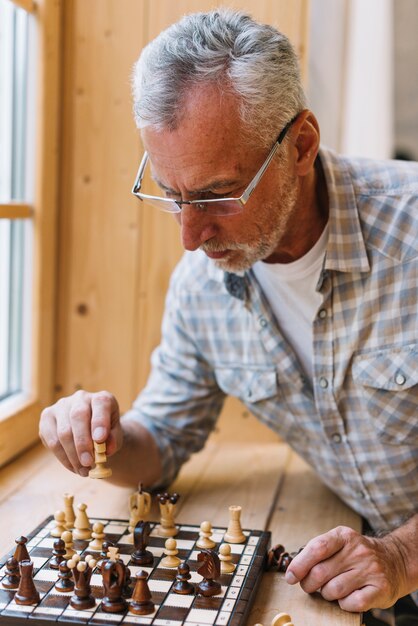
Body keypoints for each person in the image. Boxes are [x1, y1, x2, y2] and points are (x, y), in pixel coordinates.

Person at [39, 8, 418, 622]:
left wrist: (403, 556)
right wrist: (97, 435)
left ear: (301, 145)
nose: (191, 236)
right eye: (172, 195)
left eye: (217, 194)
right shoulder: (200, 287)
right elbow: (159, 440)